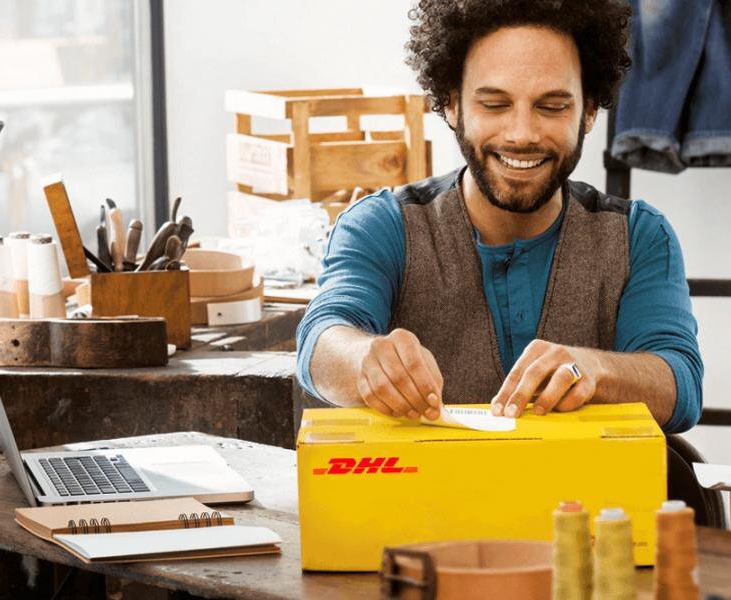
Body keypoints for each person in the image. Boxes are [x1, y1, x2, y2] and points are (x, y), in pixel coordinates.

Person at [294, 0, 703, 432]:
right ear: (451, 105)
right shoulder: (381, 225)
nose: (522, 134)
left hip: (588, 499)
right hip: (425, 496)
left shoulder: (638, 235)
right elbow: (320, 341)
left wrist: (595, 370)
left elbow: (681, 386)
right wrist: (365, 359)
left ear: (588, 112)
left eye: (552, 106)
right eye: (494, 104)